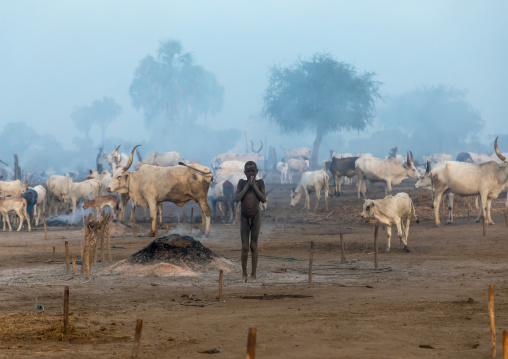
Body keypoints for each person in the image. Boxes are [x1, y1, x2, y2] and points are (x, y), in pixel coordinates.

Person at [235, 161, 266, 282]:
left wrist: (253, 186)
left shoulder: (260, 183)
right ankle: (244, 273)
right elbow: (237, 198)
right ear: (244, 173)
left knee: (254, 245)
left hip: (255, 217)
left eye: (253, 171)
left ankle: (253, 274)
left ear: (257, 172)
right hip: (243, 217)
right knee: (244, 247)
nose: (251, 173)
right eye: (248, 171)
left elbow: (263, 199)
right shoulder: (241, 183)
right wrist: (248, 185)